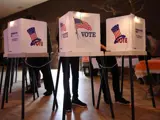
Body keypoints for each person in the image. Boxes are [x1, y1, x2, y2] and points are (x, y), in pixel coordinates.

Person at [56, 14, 87, 112]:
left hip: (74, 54)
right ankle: (67, 100)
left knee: (75, 76)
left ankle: (75, 98)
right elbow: (58, 38)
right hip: (65, 54)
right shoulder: (63, 25)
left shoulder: (77, 28)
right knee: (66, 76)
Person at [96, 22, 130, 104]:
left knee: (116, 73)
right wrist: (106, 48)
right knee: (104, 75)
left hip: (110, 53)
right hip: (101, 53)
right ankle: (106, 97)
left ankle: (118, 97)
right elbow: (96, 41)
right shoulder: (101, 25)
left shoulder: (114, 26)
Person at [25, 15, 54, 96]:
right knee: (32, 71)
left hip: (42, 52)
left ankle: (49, 89)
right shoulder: (26, 28)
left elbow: (47, 39)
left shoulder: (42, 26)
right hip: (32, 52)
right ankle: (34, 87)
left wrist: (48, 51)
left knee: (46, 72)